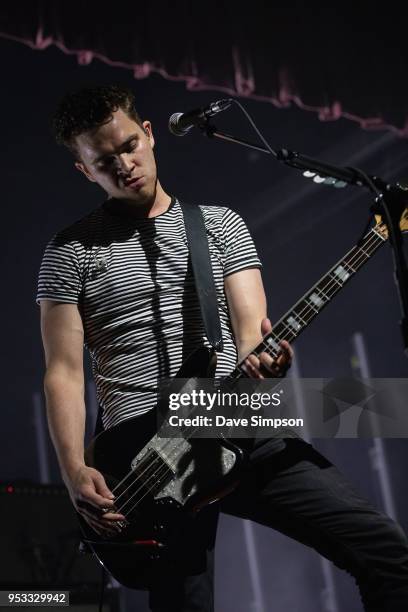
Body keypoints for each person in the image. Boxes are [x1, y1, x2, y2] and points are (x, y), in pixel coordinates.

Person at [37, 84, 408, 612]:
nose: (123, 165)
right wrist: (74, 469)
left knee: (388, 554)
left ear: (148, 135)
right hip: (139, 460)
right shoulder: (69, 251)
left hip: (230, 415)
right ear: (84, 171)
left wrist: (269, 363)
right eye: (103, 161)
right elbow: (64, 373)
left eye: (128, 147)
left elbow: (252, 334)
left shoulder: (219, 225)